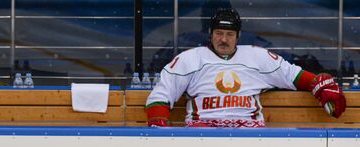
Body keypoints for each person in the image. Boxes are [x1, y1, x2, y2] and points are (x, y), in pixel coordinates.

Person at [146, 8, 347, 128]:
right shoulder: (189, 59)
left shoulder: (257, 57)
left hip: (249, 132)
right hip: (202, 131)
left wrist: (319, 84)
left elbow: (293, 76)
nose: (223, 39)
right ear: (210, 33)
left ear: (238, 36)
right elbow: (161, 95)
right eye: (218, 33)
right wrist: (158, 124)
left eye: (229, 34)